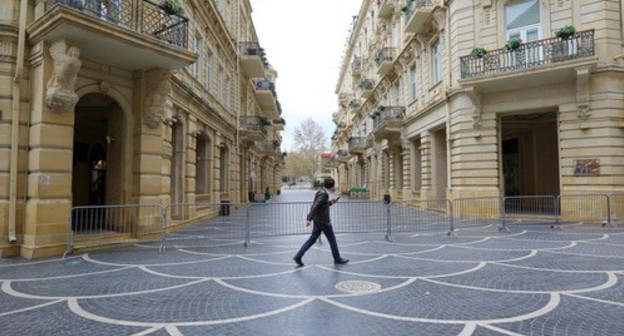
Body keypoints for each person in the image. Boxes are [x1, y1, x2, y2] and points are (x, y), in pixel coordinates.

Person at [293, 178, 349, 267]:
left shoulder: (321, 191)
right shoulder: (323, 194)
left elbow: (321, 205)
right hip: (323, 221)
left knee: (312, 239)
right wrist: (309, 218)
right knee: (332, 240)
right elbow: (315, 206)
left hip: (318, 220)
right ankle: (337, 258)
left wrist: (330, 203)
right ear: (332, 186)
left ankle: (298, 256)